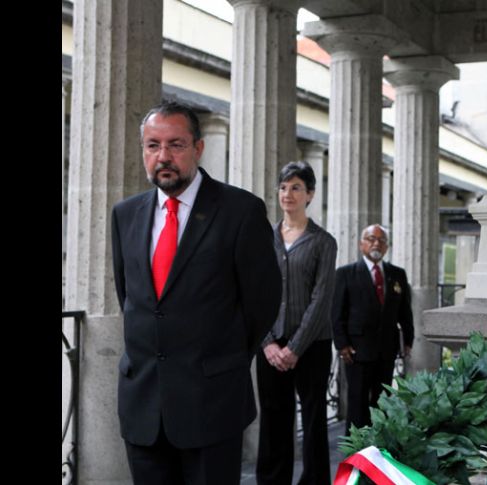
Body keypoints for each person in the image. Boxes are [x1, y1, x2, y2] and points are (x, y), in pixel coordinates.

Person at [111, 101, 281, 485]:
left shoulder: (241, 210)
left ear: (198, 148)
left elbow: (263, 302)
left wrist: (220, 358)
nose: (163, 156)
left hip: (212, 403)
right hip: (143, 405)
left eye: (176, 144)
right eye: (153, 146)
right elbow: (132, 298)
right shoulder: (125, 214)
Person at [256, 161, 338, 485]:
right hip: (270, 347)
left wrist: (295, 347)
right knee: (274, 421)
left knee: (315, 420)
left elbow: (321, 300)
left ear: (310, 195)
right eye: (283, 187)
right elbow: (255, 291)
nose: (288, 194)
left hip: (312, 347)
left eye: (296, 188)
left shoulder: (324, 242)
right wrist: (267, 343)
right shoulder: (264, 239)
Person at [332, 224, 414, 433]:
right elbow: (336, 313)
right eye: (371, 238)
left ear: (387, 247)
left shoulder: (397, 274)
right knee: (357, 402)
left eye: (381, 240)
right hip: (356, 351)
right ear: (361, 244)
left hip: (386, 350)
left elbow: (405, 311)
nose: (376, 243)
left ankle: (378, 451)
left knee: (382, 402)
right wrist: (342, 345)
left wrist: (408, 340)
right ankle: (355, 452)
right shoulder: (345, 274)